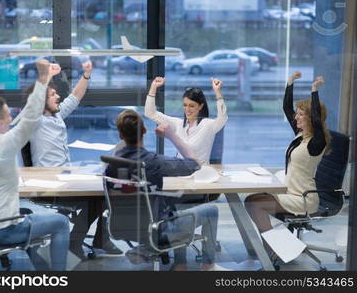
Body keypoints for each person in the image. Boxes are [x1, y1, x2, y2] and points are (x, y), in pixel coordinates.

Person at [0, 56, 70, 270]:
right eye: (8, 115)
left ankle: (42, 269)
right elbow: (31, 117)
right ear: (1, 122)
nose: (11, 119)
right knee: (61, 222)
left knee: (29, 212)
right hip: (4, 230)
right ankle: (60, 278)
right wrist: (43, 78)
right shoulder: (5, 144)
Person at [23, 61, 122, 259]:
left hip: (65, 175)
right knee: (99, 196)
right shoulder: (35, 121)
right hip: (50, 181)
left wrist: (86, 75)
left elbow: (76, 96)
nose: (58, 96)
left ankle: (92, 240)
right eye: (52, 95)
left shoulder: (57, 115)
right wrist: (47, 76)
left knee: (106, 188)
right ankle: (80, 242)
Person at [108, 109, 224, 271]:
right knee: (211, 209)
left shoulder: (111, 163)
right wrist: (172, 136)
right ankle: (208, 265)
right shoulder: (153, 162)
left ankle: (180, 264)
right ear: (144, 131)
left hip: (124, 227)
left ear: (120, 135)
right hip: (158, 229)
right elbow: (195, 164)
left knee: (172, 206)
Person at [244, 72, 331, 243]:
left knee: (255, 204)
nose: (296, 117)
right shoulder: (301, 135)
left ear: (311, 118)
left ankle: (273, 246)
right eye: (297, 114)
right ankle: (278, 245)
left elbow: (316, 117)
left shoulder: (316, 143)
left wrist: (314, 90)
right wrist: (290, 82)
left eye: (301, 114)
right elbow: (286, 108)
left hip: (303, 198)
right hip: (291, 191)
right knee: (250, 200)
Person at [144, 77, 228, 164]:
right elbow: (150, 113)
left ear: (200, 106)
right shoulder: (178, 124)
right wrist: (153, 87)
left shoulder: (207, 125)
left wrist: (217, 92)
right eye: (185, 105)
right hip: (180, 173)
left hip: (201, 174)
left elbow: (223, 118)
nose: (187, 109)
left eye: (191, 106)